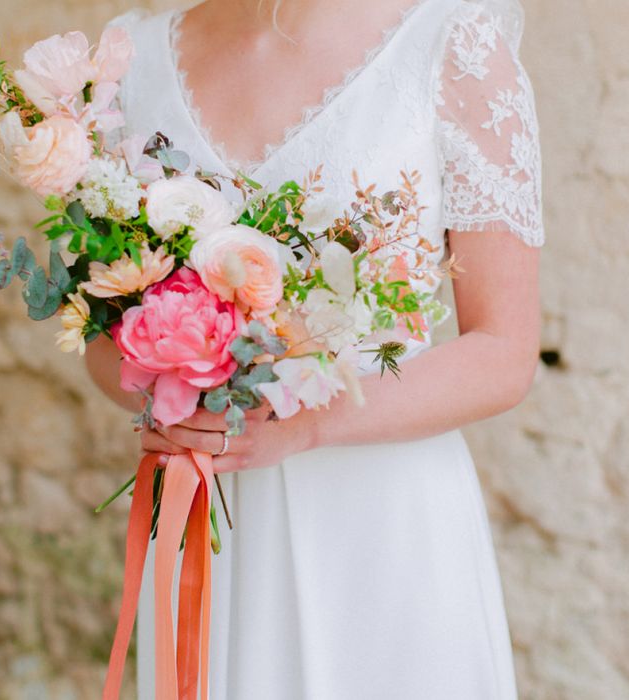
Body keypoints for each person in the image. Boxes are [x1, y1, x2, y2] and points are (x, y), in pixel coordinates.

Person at [85, 0, 544, 697]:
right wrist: (168, 386)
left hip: (379, 520)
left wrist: (309, 425)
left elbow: (503, 351)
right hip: (208, 515)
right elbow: (99, 329)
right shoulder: (131, 56)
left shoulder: (449, 42)